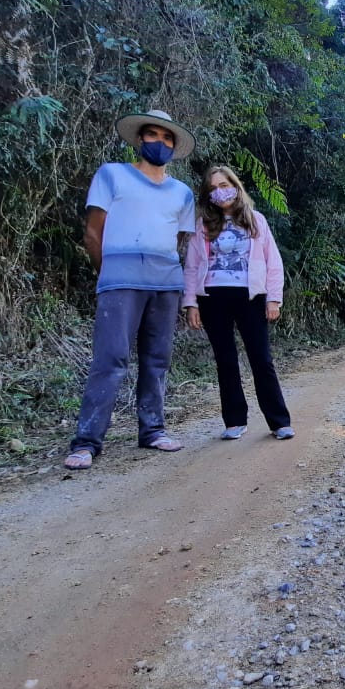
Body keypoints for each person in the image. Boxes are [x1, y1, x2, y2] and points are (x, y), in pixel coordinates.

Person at [64, 109, 197, 470]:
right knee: (110, 360)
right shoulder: (112, 175)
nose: (160, 143)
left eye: (167, 138)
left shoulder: (182, 193)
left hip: (165, 285)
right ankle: (87, 441)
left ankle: (153, 430)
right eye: (153, 135)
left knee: (157, 359)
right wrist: (108, 272)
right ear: (139, 140)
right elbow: (93, 232)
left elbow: (180, 240)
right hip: (119, 282)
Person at [183, 164, 294, 440]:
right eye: (213, 189)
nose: (220, 192)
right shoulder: (203, 225)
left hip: (250, 297)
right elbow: (192, 265)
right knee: (225, 360)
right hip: (212, 298)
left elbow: (273, 263)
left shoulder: (256, 220)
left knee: (261, 359)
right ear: (207, 195)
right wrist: (191, 303)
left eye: (224, 185)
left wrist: (274, 299)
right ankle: (234, 421)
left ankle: (279, 421)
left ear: (235, 186)